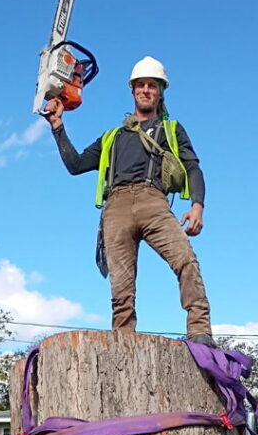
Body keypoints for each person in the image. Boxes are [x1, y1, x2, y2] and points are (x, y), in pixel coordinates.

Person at [44, 56, 215, 346]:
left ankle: (199, 329)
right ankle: (123, 342)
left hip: (153, 202)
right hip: (116, 208)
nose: (146, 90)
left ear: (160, 92)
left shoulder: (171, 130)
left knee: (186, 260)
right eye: (141, 85)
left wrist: (197, 205)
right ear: (133, 90)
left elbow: (193, 167)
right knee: (121, 286)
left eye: (152, 85)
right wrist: (57, 126)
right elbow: (75, 165)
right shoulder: (112, 137)